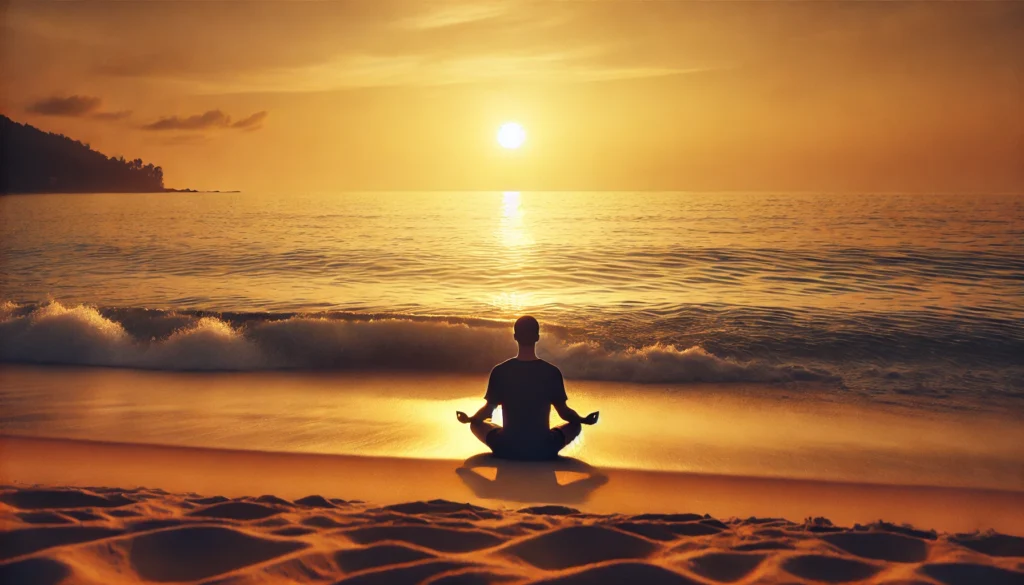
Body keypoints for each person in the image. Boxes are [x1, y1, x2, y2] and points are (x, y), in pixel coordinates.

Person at [456, 316, 599, 460]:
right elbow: (564, 413)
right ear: (537, 337)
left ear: (515, 337)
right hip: (543, 449)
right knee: (575, 426)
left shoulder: (500, 371)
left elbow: (488, 409)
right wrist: (582, 420)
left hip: (506, 448)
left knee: (476, 425)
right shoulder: (551, 372)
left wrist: (470, 419)